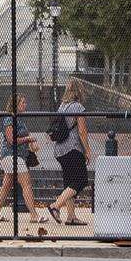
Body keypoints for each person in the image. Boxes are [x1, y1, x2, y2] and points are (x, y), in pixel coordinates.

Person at [0, 93, 48, 224]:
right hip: (11, 156)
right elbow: (11, 140)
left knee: (6, 185)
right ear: (16, 104)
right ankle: (34, 215)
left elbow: (26, 136)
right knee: (26, 183)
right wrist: (27, 139)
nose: (25, 105)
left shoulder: (20, 119)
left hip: (18, 156)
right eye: (23, 102)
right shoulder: (9, 119)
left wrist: (31, 143)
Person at [45, 78, 90, 226]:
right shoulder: (78, 107)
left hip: (60, 149)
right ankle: (55, 206)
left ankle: (71, 217)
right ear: (79, 91)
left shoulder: (62, 106)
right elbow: (82, 131)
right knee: (81, 180)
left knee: (69, 182)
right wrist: (87, 150)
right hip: (73, 148)